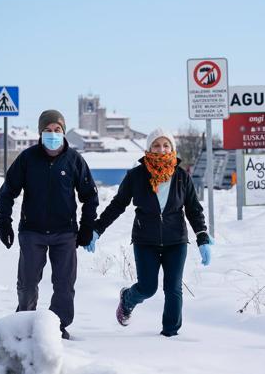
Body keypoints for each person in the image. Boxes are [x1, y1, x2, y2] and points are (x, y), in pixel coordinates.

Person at [86, 128, 213, 337]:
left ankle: (170, 334)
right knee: (147, 288)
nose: (161, 149)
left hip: (176, 241)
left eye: (166, 145)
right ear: (148, 148)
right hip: (145, 240)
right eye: (156, 145)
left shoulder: (181, 177)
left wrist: (202, 236)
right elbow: (118, 205)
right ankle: (127, 300)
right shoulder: (136, 176)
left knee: (173, 289)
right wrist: (97, 229)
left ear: (172, 148)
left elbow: (193, 209)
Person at [0, 109, 99, 340]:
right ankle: (24, 323)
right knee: (28, 282)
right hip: (32, 232)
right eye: (48, 130)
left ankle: (57, 327)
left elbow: (90, 196)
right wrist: (4, 223)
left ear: (63, 132)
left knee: (64, 285)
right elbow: (7, 193)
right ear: (40, 133)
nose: (53, 134)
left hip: (65, 234)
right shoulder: (27, 158)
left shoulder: (74, 160)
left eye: (57, 130)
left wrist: (86, 228)